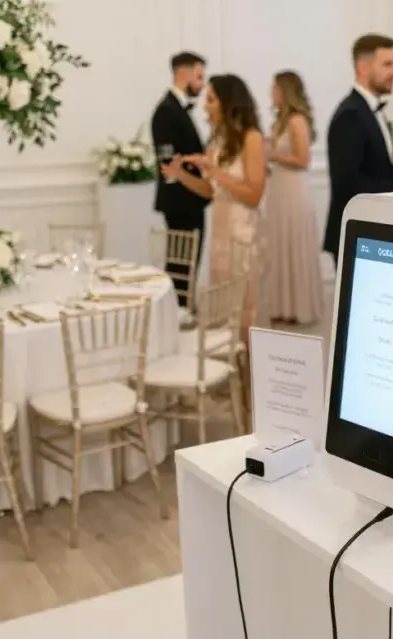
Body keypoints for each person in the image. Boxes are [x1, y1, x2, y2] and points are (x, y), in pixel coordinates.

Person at [162, 74, 267, 398]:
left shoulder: (252, 138)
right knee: (224, 310)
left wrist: (215, 170)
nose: (206, 107)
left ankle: (252, 387)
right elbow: (211, 191)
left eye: (211, 99)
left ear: (227, 101)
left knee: (246, 312)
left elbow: (253, 194)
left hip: (244, 232)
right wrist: (181, 175)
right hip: (220, 232)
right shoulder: (218, 140)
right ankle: (230, 379)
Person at [323, 34, 393, 259]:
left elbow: (371, 166)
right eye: (388, 64)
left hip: (373, 230)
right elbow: (345, 184)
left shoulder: (370, 110)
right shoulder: (350, 114)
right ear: (364, 67)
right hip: (356, 234)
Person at [262, 70, 325, 325]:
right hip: (277, 188)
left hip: (294, 190)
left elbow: (302, 160)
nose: (271, 93)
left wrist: (272, 156)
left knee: (294, 244)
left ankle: (299, 307)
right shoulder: (278, 123)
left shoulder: (297, 121)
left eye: (275, 88)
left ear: (285, 91)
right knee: (279, 245)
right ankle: (281, 306)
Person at [151, 52, 210, 307]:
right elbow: (167, 165)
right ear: (183, 73)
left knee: (188, 262)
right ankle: (178, 312)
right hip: (181, 202)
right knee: (181, 263)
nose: (202, 84)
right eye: (199, 76)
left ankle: (183, 309)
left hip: (190, 199)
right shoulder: (166, 111)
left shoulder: (177, 108)